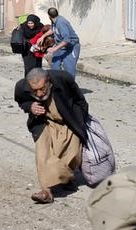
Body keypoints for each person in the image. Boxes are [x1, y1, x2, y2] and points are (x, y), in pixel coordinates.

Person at [14, 68, 88, 204]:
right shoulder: (22, 86)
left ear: (48, 82)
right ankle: (46, 191)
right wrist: (30, 106)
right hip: (44, 122)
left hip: (68, 122)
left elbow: (80, 100)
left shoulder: (63, 78)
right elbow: (21, 101)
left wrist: (81, 121)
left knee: (71, 154)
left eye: (42, 89)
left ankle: (66, 178)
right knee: (43, 154)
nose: (39, 93)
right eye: (34, 90)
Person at [37, 7, 81, 78]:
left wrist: (54, 49)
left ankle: (70, 87)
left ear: (49, 16)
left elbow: (67, 40)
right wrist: (42, 37)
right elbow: (52, 29)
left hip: (70, 47)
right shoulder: (54, 21)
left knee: (69, 70)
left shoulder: (61, 23)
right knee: (54, 65)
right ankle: (57, 84)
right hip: (60, 46)